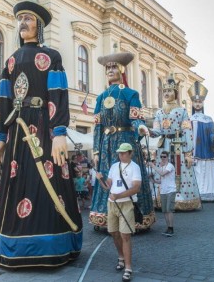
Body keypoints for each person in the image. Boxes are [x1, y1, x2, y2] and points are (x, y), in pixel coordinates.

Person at [0, 0, 82, 268]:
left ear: (39, 25)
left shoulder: (52, 57)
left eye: (29, 19)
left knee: (47, 181)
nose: (23, 23)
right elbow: (4, 101)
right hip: (18, 130)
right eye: (20, 19)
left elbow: (58, 94)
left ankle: (54, 243)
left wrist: (60, 132)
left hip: (43, 126)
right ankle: (12, 246)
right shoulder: (9, 61)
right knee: (17, 183)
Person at [90, 52, 153, 231]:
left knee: (126, 175)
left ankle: (135, 217)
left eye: (113, 67)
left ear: (121, 69)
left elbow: (135, 118)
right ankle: (105, 217)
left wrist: (140, 126)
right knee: (108, 178)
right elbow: (98, 126)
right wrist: (95, 150)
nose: (110, 70)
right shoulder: (101, 97)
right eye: (107, 67)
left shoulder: (130, 94)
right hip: (106, 144)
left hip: (125, 141)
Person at [149, 76, 200, 211]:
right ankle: (161, 199)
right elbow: (157, 130)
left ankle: (180, 199)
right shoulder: (159, 112)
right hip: (163, 145)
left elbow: (188, 131)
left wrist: (189, 152)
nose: (166, 94)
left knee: (179, 171)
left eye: (170, 91)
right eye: (164, 91)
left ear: (175, 94)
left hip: (178, 146)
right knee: (162, 170)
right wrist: (149, 131)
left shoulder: (182, 111)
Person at [96, 143, 141, 282]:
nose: (120, 155)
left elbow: (136, 188)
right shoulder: (114, 166)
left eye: (123, 153)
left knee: (125, 236)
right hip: (112, 204)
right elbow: (108, 186)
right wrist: (100, 179)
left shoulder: (135, 167)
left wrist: (119, 196)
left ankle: (128, 268)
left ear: (130, 153)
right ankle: (121, 257)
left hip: (126, 204)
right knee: (114, 233)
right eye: (119, 153)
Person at [187, 82, 214, 202]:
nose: (197, 104)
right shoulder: (188, 119)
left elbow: (212, 133)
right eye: (195, 102)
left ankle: (209, 192)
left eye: (200, 102)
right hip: (193, 153)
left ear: (203, 103)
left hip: (207, 151)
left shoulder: (208, 119)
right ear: (192, 103)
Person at [148, 151, 176, 236]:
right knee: (164, 211)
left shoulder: (170, 166)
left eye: (164, 157)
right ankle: (168, 227)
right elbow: (162, 180)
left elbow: (162, 174)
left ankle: (171, 228)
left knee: (169, 209)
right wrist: (153, 180)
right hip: (163, 190)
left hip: (170, 190)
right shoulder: (162, 167)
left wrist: (153, 166)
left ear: (168, 157)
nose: (163, 158)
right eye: (161, 157)